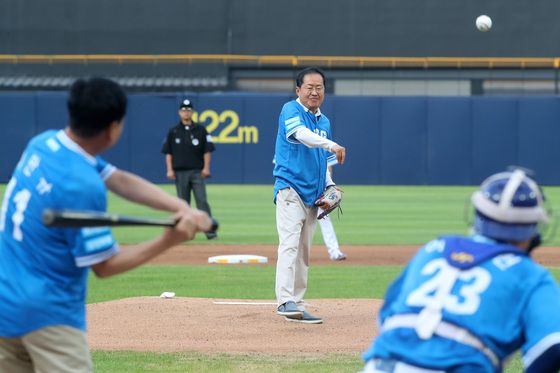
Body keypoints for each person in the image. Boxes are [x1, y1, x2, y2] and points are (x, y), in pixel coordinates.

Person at [0, 77, 213, 373]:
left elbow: (119, 179)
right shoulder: (81, 187)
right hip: (48, 314)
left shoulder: (44, 144)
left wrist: (180, 206)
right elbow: (104, 265)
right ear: (114, 128)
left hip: (5, 302)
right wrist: (169, 240)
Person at [360, 168, 560, 373]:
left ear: (477, 214)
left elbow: (386, 315)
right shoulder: (530, 274)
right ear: (533, 228)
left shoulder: (434, 248)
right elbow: (552, 345)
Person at [273, 66, 346, 324]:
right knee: (290, 244)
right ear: (298, 90)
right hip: (290, 187)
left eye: (319, 87)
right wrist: (331, 143)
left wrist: (330, 186)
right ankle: (284, 300)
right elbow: (302, 136)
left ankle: (297, 305)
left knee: (303, 252)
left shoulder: (323, 121)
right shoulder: (290, 110)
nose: (314, 92)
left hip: (312, 196)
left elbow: (323, 163)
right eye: (309, 87)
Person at [162, 99, 217, 240]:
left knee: (202, 201)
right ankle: (183, 233)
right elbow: (168, 152)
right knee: (183, 203)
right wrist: (169, 170)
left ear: (192, 112)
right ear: (179, 112)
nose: (186, 112)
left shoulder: (201, 130)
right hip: (180, 173)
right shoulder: (173, 131)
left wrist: (206, 167)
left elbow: (207, 150)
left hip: (197, 172)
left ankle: (210, 231)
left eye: (188, 109)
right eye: (184, 110)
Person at [318, 165, 346, 261]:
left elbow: (328, 166)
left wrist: (329, 187)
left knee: (325, 220)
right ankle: (290, 253)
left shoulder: (323, 149)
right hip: (297, 193)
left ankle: (334, 252)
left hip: (319, 193)